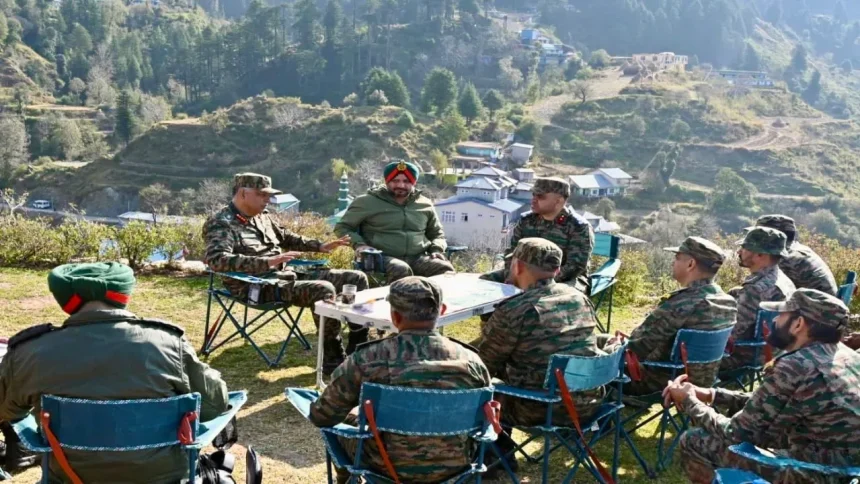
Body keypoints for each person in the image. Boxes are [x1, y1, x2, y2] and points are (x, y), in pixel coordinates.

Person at [0, 262, 230, 483]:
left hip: (69, 477)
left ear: (64, 299)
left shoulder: (29, 353)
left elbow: (6, 410)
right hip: (164, 478)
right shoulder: (168, 343)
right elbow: (215, 404)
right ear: (122, 293)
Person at [308, 276, 491, 483]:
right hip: (456, 467)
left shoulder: (367, 359)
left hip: (384, 465)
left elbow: (323, 415)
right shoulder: (472, 361)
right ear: (442, 311)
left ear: (394, 316)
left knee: (340, 428)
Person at [666, 289, 860, 484]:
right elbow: (768, 403)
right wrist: (712, 394)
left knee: (695, 441)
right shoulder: (846, 355)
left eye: (782, 314)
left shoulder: (797, 365)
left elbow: (736, 433)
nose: (775, 320)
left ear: (798, 324)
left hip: (829, 474)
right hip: (845, 465)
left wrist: (688, 401)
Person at [203, 173, 370, 375]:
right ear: (243, 194)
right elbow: (216, 261)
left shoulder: (262, 217)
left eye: (268, 196)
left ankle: (359, 347)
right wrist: (267, 262)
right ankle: (333, 360)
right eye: (262, 195)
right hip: (254, 286)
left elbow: (287, 237)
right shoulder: (221, 223)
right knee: (323, 289)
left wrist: (321, 246)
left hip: (284, 278)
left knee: (355, 278)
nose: (267, 200)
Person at [477, 237, 603, 471]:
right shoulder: (579, 298)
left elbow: (483, 368)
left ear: (518, 266)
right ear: (556, 269)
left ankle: (496, 460)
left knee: (479, 390)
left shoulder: (516, 309)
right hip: (588, 403)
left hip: (540, 409)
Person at [604, 237, 737, 395]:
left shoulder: (681, 304)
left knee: (596, 345)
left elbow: (636, 348)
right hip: (702, 385)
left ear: (690, 264)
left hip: (660, 384)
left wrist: (615, 345)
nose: (673, 263)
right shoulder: (728, 301)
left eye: (677, 258)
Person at [334, 160, 454, 284]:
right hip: (381, 258)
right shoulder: (366, 202)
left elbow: (437, 234)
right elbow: (342, 227)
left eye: (406, 181)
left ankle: (436, 303)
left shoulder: (425, 204)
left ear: (414, 182)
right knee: (401, 269)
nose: (401, 185)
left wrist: (436, 249)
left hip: (418, 257)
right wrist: (359, 244)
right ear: (387, 181)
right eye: (395, 181)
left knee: (444, 269)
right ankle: (396, 303)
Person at [481, 177, 593, 286]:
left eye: (540, 197)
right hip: (523, 274)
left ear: (558, 201)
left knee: (554, 296)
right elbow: (512, 253)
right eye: (533, 195)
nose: (533, 200)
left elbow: (574, 267)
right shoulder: (527, 220)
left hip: (565, 280)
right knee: (485, 281)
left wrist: (535, 281)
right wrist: (512, 276)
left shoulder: (578, 226)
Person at [721, 227, 796, 372]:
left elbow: (731, 332)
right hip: (776, 352)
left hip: (747, 356)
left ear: (760, 254)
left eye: (745, 248)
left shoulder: (755, 289)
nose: (739, 252)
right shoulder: (782, 280)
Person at [754, 214, 837, 295]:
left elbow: (767, 291)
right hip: (823, 304)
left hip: (815, 307)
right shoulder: (799, 249)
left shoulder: (784, 257)